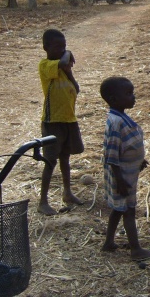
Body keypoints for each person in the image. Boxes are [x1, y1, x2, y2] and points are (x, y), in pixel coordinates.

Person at [100, 76, 150, 261]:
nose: (133, 97)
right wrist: (120, 180)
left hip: (127, 173)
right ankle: (136, 249)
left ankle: (108, 242)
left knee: (118, 209)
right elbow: (112, 155)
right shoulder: (116, 123)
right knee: (128, 210)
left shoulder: (120, 117)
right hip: (122, 177)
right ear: (114, 99)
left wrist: (139, 160)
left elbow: (127, 145)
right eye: (129, 93)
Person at [38, 29, 84, 215]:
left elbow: (77, 88)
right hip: (53, 121)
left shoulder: (63, 69)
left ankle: (67, 192)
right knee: (50, 161)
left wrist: (70, 73)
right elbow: (64, 60)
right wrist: (68, 54)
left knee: (65, 158)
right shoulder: (46, 65)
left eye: (64, 47)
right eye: (57, 47)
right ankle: (43, 201)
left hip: (68, 119)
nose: (61, 50)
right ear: (45, 48)